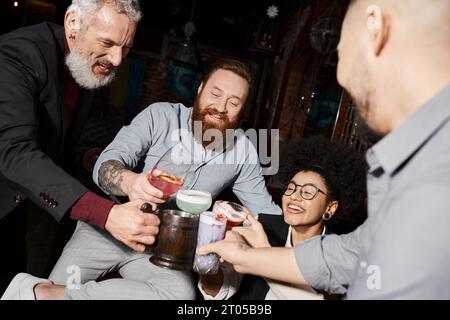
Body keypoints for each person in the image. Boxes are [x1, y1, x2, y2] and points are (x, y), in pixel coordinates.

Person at [198, 0, 450, 299]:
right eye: (292, 188)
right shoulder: (417, 163)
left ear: (375, 28)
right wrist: (245, 255)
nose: (351, 99)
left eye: (343, 58)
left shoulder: (435, 175)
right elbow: (346, 260)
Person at [1, 58, 281, 300]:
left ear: (242, 111)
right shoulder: (160, 116)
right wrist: (130, 182)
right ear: (199, 90)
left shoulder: (243, 150)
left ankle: (50, 293)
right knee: (62, 278)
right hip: (106, 228)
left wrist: (310, 240)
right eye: (215, 94)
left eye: (233, 102)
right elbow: (105, 165)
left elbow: (265, 212)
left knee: (180, 295)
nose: (220, 107)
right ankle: (49, 289)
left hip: (161, 248)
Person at [0, 0, 158, 295]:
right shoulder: (17, 54)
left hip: (19, 205)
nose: (117, 59)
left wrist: (90, 159)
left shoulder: (84, 61)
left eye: (125, 47)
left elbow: (53, 134)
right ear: (73, 22)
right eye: (108, 43)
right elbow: (13, 151)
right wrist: (106, 215)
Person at [198, 137, 367, 300]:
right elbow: (219, 291)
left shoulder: (336, 255)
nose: (294, 196)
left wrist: (260, 253)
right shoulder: (261, 226)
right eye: (291, 188)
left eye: (307, 192)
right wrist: (207, 262)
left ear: (330, 207)